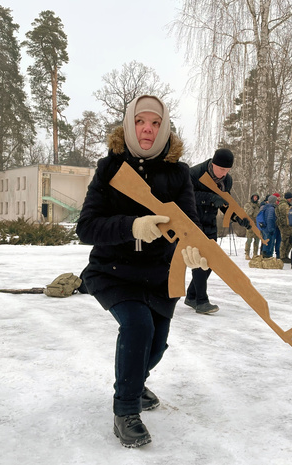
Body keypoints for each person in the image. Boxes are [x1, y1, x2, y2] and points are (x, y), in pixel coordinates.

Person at [76, 95, 208, 448]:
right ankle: (126, 410)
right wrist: (131, 226)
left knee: (157, 343)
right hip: (114, 271)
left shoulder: (179, 173)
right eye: (140, 121)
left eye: (154, 123)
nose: (147, 129)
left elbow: (190, 225)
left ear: (164, 127)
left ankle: (134, 379)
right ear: (129, 125)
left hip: (160, 274)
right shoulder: (110, 168)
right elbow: (86, 227)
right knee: (138, 327)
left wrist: (194, 250)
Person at [185, 148, 250, 314]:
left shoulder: (227, 181)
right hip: (193, 222)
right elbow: (186, 196)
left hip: (211, 224)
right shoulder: (194, 173)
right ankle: (201, 301)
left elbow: (225, 203)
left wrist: (238, 217)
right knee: (200, 260)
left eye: (227, 170)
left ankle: (192, 295)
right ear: (213, 163)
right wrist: (211, 198)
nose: (224, 173)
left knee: (210, 261)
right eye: (221, 169)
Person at [276, 191, 292, 263]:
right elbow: (286, 215)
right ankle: (283, 256)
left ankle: (285, 255)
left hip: (286, 225)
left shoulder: (285, 204)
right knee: (285, 241)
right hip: (284, 226)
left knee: (288, 241)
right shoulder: (284, 205)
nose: (291, 200)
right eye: (290, 198)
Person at [244, 193, 261, 260]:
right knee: (249, 239)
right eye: (254, 197)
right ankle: (247, 253)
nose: (255, 198)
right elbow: (247, 213)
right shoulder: (248, 205)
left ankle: (255, 254)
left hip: (257, 225)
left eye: (256, 197)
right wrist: (252, 209)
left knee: (257, 240)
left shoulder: (258, 206)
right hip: (250, 224)